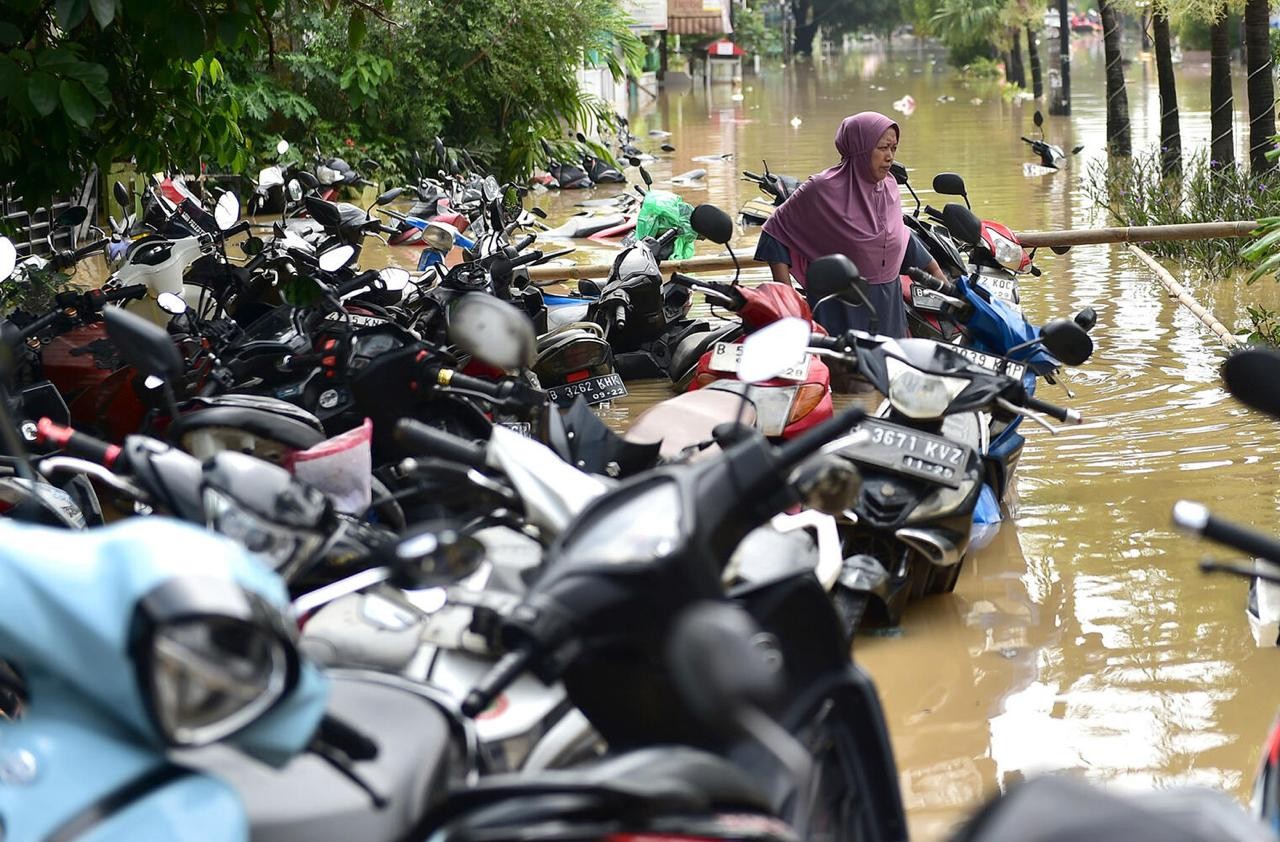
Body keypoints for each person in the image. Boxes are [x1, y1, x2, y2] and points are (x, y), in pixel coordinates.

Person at [754, 111, 944, 338]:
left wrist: (942, 283)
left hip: (889, 309)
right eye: (883, 148)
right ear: (860, 148)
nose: (890, 156)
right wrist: (789, 305)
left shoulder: (890, 187)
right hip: (840, 311)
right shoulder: (823, 189)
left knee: (893, 370)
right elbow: (775, 231)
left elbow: (899, 238)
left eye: (893, 148)